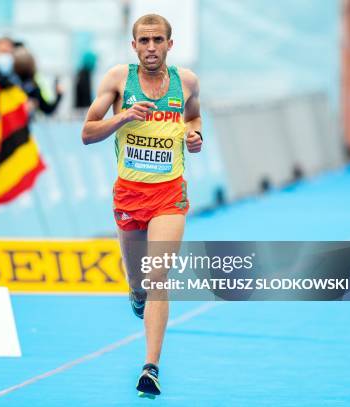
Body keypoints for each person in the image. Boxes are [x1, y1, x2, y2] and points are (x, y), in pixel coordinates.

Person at [81, 14, 203, 398]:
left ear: (170, 44)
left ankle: (150, 368)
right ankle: (136, 296)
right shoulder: (119, 79)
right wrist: (124, 116)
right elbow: (87, 133)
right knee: (138, 285)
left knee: (157, 279)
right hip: (130, 195)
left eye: (158, 40)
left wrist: (195, 133)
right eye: (144, 41)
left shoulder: (186, 82)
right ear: (134, 46)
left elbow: (194, 114)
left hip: (169, 194)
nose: (151, 48)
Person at [14, 46, 63, 116]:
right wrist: (59, 95)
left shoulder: (32, 87)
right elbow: (48, 109)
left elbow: (47, 108)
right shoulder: (33, 87)